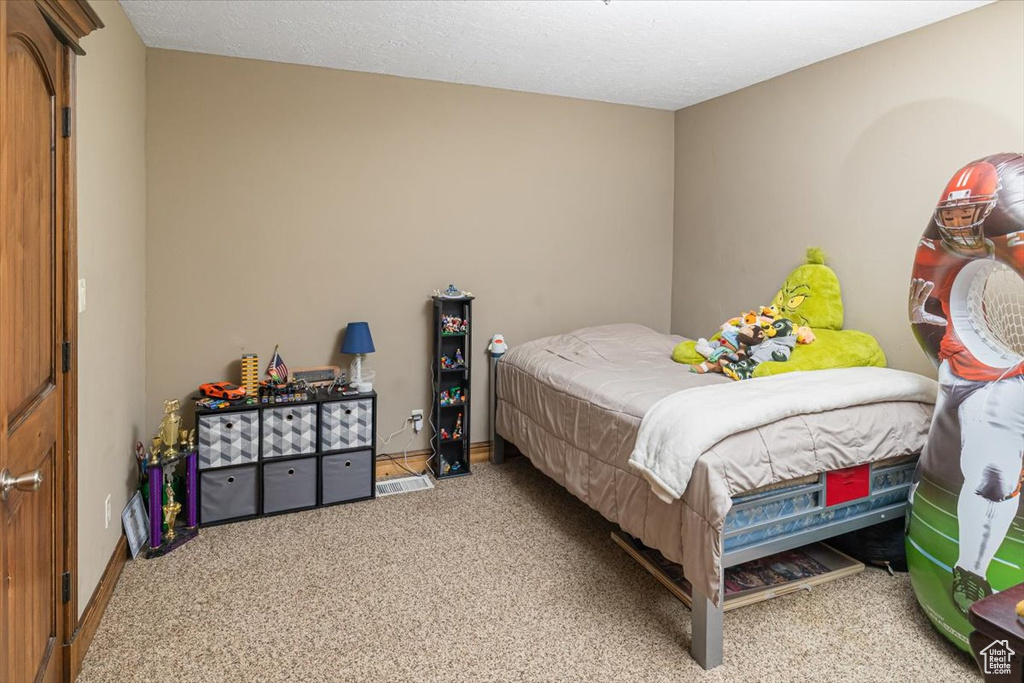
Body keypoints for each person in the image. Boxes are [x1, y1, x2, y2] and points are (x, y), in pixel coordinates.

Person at [908, 159, 1024, 615]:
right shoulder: (943, 254)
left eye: (965, 214)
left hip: (998, 383)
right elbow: (929, 300)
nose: (956, 223)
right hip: (956, 366)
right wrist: (929, 318)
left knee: (991, 478)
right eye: (950, 216)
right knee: (966, 467)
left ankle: (971, 572)